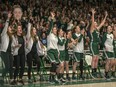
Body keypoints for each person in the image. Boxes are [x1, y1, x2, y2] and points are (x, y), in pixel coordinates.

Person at [90, 9, 108, 78]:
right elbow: (92, 21)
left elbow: (102, 23)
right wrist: (93, 14)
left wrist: (105, 16)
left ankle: (95, 71)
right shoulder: (92, 29)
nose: (96, 24)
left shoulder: (97, 29)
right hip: (93, 44)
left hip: (96, 44)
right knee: (94, 58)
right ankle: (92, 72)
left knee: (97, 58)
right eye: (95, 24)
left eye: (96, 24)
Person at [0, 12, 13, 85]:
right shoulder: (3, 34)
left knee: (11, 67)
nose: (10, 28)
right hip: (3, 52)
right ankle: (2, 77)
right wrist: (8, 18)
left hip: (9, 52)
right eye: (9, 27)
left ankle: (11, 80)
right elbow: (6, 26)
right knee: (7, 67)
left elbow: (10, 45)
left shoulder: (10, 36)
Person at [47, 11, 60, 84]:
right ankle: (52, 78)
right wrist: (52, 18)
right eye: (54, 29)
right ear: (52, 30)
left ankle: (51, 77)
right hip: (50, 51)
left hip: (55, 51)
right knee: (54, 64)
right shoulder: (49, 34)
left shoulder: (56, 37)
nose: (55, 30)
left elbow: (57, 46)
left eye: (56, 29)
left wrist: (58, 52)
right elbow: (51, 26)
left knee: (56, 65)